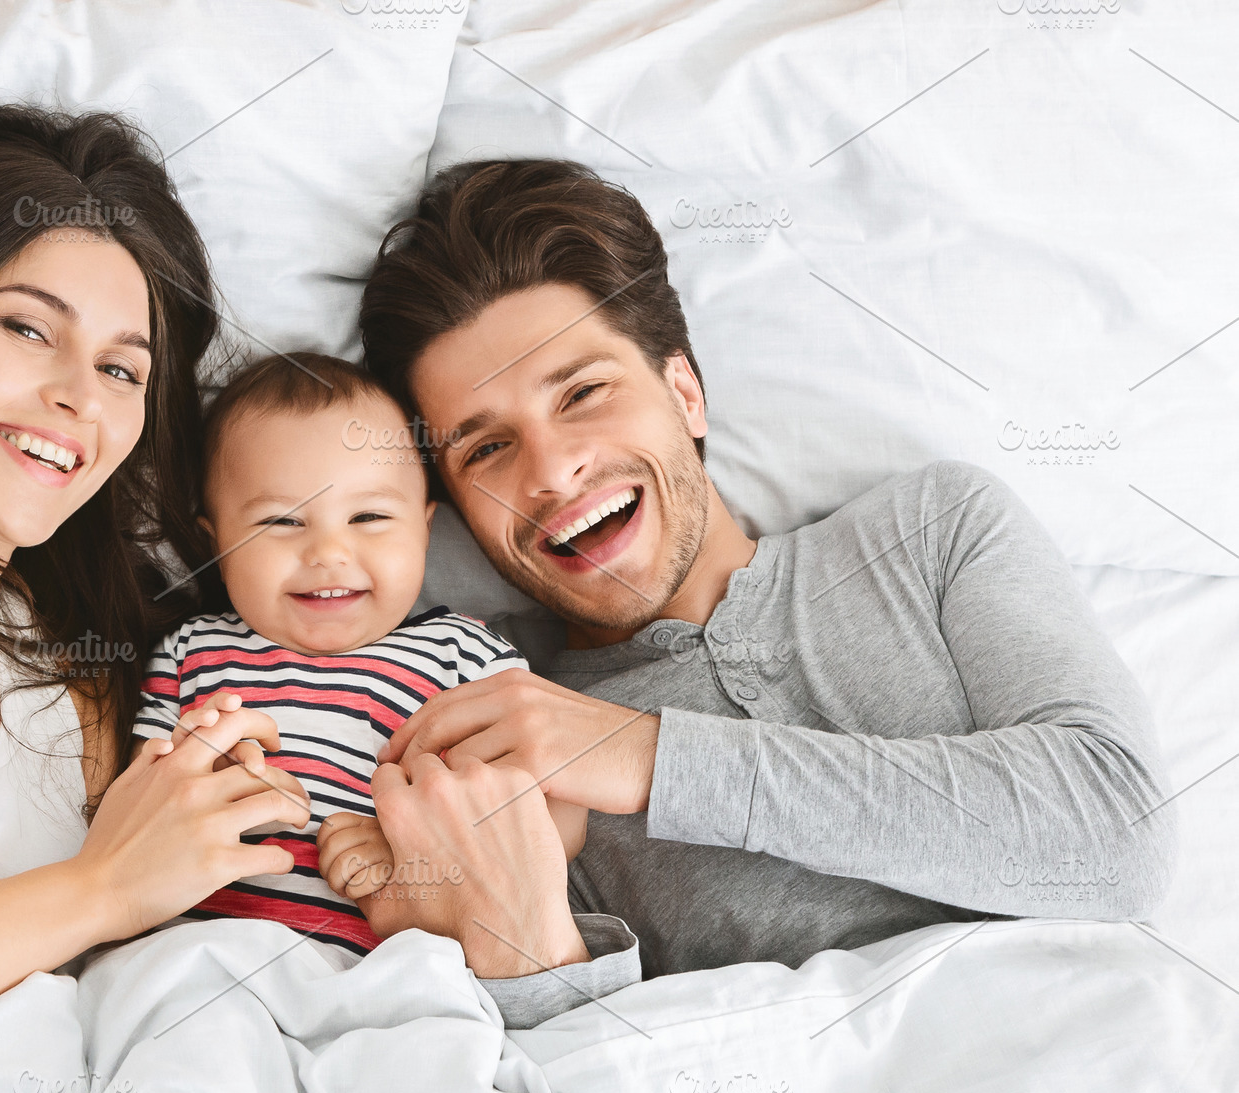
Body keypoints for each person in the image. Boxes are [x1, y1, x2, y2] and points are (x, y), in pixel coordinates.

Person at [350, 158, 1177, 984]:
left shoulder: (935, 531)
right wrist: (518, 944)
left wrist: (651, 757)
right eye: (487, 447)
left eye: (583, 394)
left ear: (685, 392)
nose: (553, 470)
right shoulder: (515, 768)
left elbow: (1120, 833)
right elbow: (571, 1078)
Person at [128, 352, 587, 960]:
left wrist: (412, 853)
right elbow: (138, 803)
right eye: (281, 521)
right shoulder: (193, 651)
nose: (329, 551)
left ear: (424, 529)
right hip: (201, 955)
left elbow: (556, 810)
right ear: (216, 544)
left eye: (369, 516)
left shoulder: (464, 657)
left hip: (388, 961)